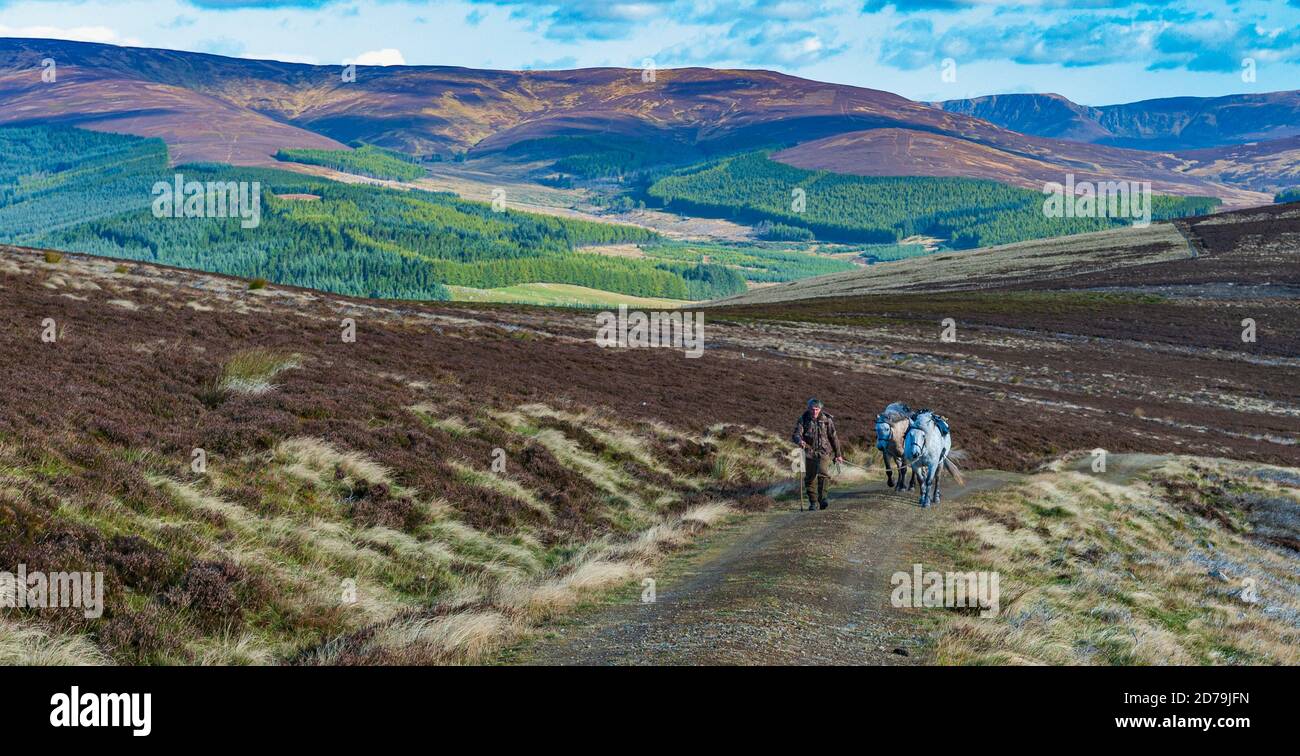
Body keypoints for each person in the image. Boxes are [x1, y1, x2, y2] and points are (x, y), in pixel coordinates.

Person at [791, 398, 844, 510]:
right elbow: (796, 434)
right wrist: (799, 441)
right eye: (812, 409)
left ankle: (823, 499)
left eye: (817, 409)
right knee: (810, 477)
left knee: (823, 473)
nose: (814, 411)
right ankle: (813, 503)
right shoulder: (803, 419)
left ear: (820, 409)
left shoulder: (827, 420)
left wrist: (838, 454)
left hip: (824, 452)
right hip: (809, 452)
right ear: (808, 408)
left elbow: (833, 438)